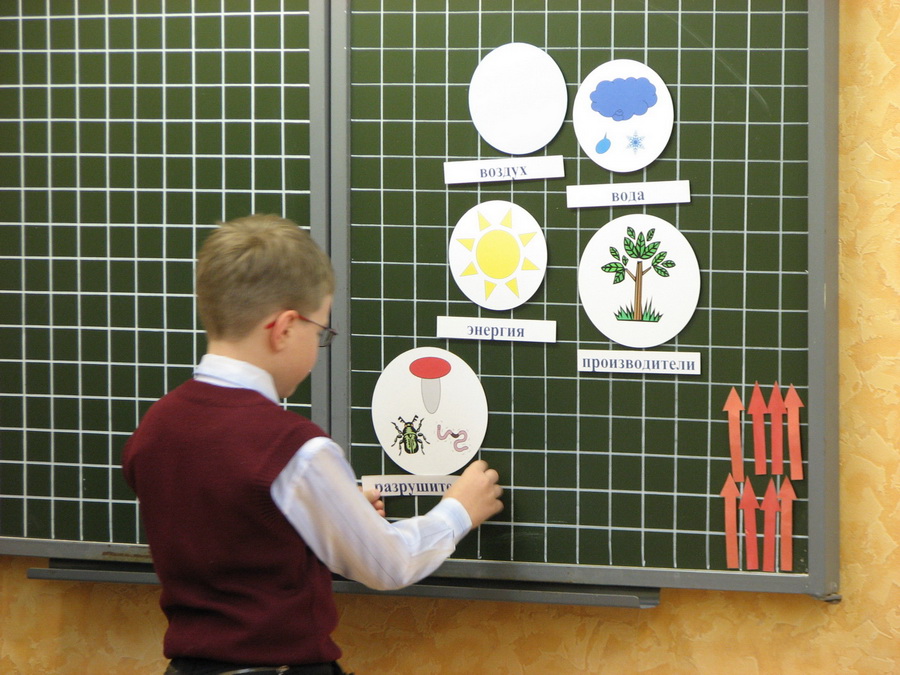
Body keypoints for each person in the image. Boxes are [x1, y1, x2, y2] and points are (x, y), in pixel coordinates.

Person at [122, 214, 504, 675]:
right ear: (284, 328)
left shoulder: (156, 427)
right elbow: (389, 565)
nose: (319, 348)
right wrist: (459, 511)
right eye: (319, 332)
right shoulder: (295, 451)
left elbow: (235, 537)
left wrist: (330, 513)